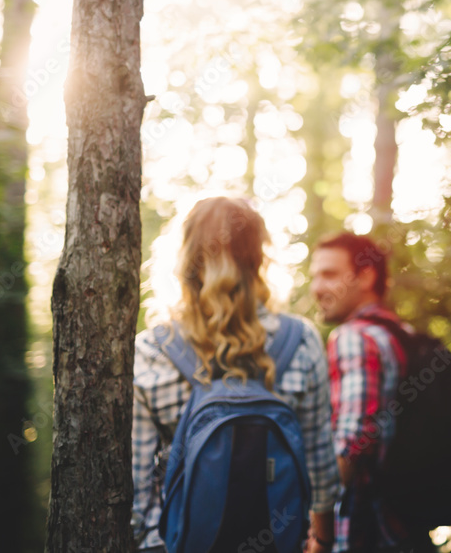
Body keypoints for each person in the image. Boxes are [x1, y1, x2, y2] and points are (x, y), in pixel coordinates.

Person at [131, 196, 339, 553]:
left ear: (183, 259)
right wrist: (322, 538)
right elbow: (319, 459)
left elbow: (138, 484)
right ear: (259, 258)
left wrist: (153, 543)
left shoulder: (152, 350)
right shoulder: (301, 339)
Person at [309, 232, 434, 553]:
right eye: (315, 277)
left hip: (362, 529)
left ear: (366, 276)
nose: (317, 288)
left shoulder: (353, 337)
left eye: (330, 274)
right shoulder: (400, 334)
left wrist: (317, 527)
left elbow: (353, 441)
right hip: (405, 525)